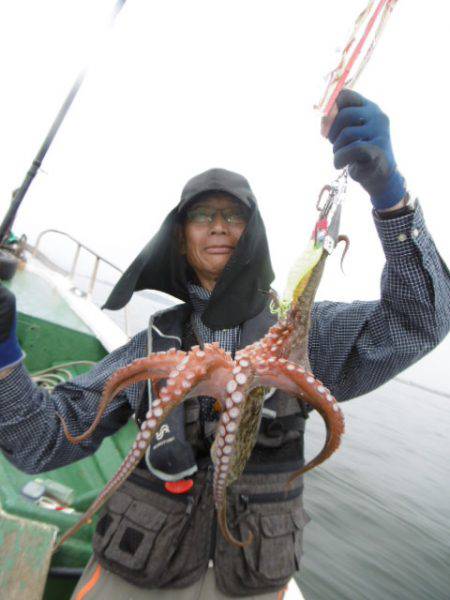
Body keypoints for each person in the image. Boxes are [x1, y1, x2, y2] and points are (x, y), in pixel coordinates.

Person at [0, 89, 449, 599]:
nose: (218, 225)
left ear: (252, 232)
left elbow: (421, 320)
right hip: (135, 575)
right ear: (180, 236)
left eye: (233, 215)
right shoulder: (152, 346)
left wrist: (392, 199)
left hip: (252, 580)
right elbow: (41, 442)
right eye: (202, 215)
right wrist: (4, 358)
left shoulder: (306, 336)